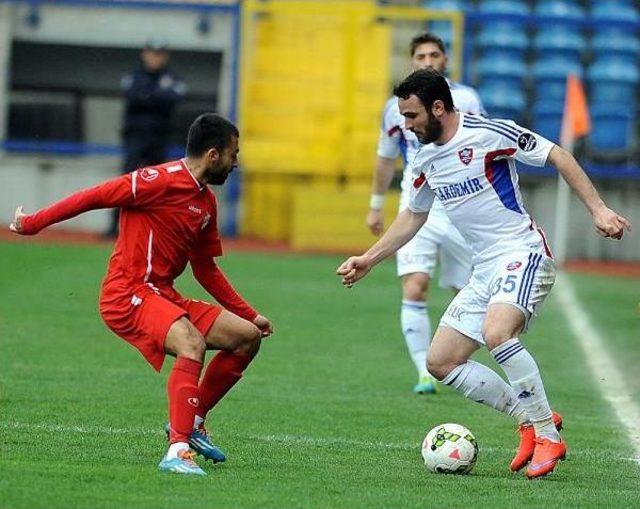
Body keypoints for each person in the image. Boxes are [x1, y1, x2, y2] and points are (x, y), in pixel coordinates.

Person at [338, 69, 630, 478]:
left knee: (497, 334)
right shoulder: (424, 157)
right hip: (484, 268)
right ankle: (528, 418)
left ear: (438, 108)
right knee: (440, 361)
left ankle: (548, 434)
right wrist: (369, 259)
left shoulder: (488, 134)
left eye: (411, 116)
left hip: (523, 252)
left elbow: (557, 154)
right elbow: (413, 215)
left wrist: (598, 208)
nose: (406, 125)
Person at [10, 114, 273, 477]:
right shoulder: (157, 181)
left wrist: (250, 314)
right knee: (190, 343)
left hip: (163, 294)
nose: (237, 162)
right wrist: (33, 222)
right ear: (214, 155)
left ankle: (192, 420)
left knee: (246, 338)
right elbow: (96, 196)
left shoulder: (205, 203)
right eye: (234, 154)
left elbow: (205, 269)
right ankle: (177, 451)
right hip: (127, 292)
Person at [367, 33, 484, 395]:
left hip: (459, 203)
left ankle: (452, 357)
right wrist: (375, 204)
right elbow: (387, 157)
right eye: (421, 55)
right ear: (412, 61)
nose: (429, 60)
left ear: (445, 60)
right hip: (416, 204)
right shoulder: (395, 108)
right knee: (415, 285)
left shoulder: (466, 100)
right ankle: (424, 372)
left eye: (435, 54)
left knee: (463, 289)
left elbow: (481, 147)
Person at [106, 39, 186, 237]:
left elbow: (173, 98)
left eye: (159, 54)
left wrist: (148, 96)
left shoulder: (171, 77)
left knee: (157, 185)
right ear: (144, 54)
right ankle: (114, 226)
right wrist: (156, 96)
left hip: (159, 138)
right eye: (152, 53)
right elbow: (133, 96)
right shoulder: (134, 76)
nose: (155, 58)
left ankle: (154, 228)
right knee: (126, 182)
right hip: (135, 137)